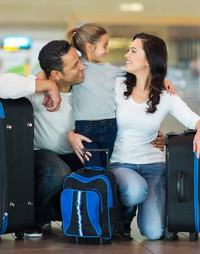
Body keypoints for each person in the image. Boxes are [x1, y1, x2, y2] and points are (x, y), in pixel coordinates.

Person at [107, 33, 200, 240]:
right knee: (135, 190)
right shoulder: (116, 86)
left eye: (133, 51)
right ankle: (125, 214)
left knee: (154, 233)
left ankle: (139, 208)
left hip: (154, 166)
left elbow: (196, 120)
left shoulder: (165, 95)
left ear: (149, 60)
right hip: (120, 163)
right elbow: (92, 75)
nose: (127, 55)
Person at [0, 40, 88, 238]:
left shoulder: (85, 88)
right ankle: (33, 218)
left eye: (79, 61)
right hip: (41, 156)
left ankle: (76, 219)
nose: (82, 67)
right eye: (75, 65)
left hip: (76, 153)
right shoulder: (38, 91)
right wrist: (46, 85)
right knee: (57, 171)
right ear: (55, 74)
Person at [66, 22, 175, 167]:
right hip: (86, 128)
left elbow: (140, 74)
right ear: (90, 47)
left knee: (107, 167)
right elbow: (54, 75)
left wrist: (162, 80)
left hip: (110, 126)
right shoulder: (78, 70)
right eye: (104, 46)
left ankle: (107, 188)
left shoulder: (110, 70)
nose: (107, 50)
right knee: (93, 168)